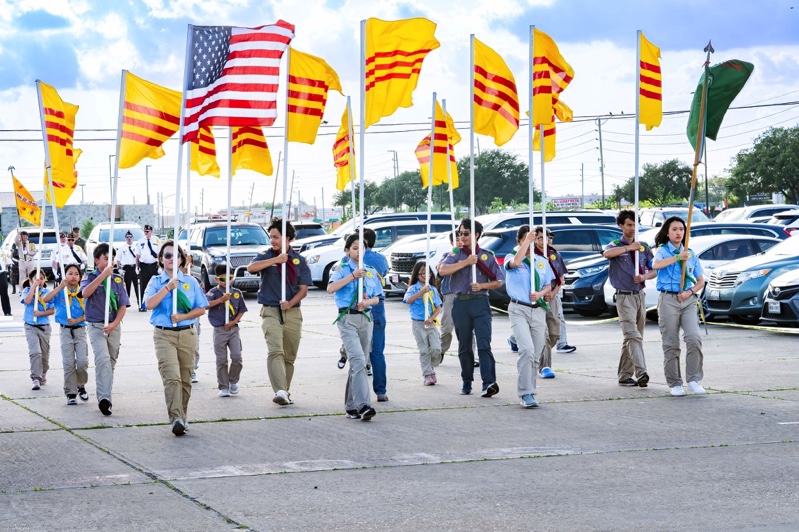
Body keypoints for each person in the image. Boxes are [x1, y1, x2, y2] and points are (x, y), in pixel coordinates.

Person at [144, 241, 208, 436]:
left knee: (185, 380)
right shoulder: (156, 281)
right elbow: (148, 304)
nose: (171, 259)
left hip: (187, 333)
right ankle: (176, 418)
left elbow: (201, 308)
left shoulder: (190, 281)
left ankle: (182, 415)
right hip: (164, 334)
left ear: (181, 260)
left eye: (175, 255)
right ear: (161, 259)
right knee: (171, 377)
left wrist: (183, 316)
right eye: (167, 255)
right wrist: (167, 288)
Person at [247, 218, 311, 406]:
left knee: (289, 356)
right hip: (271, 311)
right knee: (275, 350)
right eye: (271, 237)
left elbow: (303, 289)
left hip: (292, 312)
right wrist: (275, 260)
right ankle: (280, 390)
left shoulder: (299, 260)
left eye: (276, 237)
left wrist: (290, 303)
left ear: (288, 238)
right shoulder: (265, 256)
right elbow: (251, 268)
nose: (272, 241)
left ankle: (285, 392)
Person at [438, 218, 504, 397]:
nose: (462, 237)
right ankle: (466, 381)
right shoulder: (456, 254)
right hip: (461, 303)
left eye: (466, 233)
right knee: (465, 346)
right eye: (460, 233)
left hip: (480, 302)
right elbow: (442, 270)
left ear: (476, 235)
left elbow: (498, 281)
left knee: (484, 343)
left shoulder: (487, 255)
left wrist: (482, 286)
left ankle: (488, 382)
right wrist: (466, 262)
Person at [327, 234, 383, 421]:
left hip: (366, 318)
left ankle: (351, 406)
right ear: (347, 250)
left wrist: (367, 302)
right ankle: (363, 405)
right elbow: (330, 288)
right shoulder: (342, 269)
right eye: (355, 248)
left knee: (360, 363)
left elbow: (377, 298)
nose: (359, 251)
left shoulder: (370, 271)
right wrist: (352, 276)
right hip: (347, 319)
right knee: (358, 360)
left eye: (362, 248)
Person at [652, 216, 707, 397]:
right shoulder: (662, 251)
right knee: (671, 343)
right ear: (667, 233)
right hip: (668, 299)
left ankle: (693, 379)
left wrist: (689, 292)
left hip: (687, 300)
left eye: (681, 229)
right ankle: (675, 383)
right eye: (674, 229)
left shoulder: (690, 253)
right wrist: (677, 257)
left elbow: (700, 281)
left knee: (694, 338)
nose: (678, 233)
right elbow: (656, 265)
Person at [603, 210, 657, 387]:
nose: (632, 228)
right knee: (632, 335)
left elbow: (655, 269)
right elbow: (607, 254)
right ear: (621, 226)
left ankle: (625, 375)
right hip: (624, 297)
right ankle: (641, 372)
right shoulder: (616, 245)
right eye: (628, 225)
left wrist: (644, 277)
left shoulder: (643, 247)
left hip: (639, 295)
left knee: (634, 337)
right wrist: (628, 248)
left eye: (634, 225)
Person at [504, 225, 555, 408]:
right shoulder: (511, 257)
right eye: (528, 239)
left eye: (534, 240)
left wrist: (540, 294)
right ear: (519, 241)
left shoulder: (541, 261)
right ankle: (525, 393)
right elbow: (515, 263)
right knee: (526, 350)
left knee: (535, 354)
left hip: (538, 310)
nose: (532, 243)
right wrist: (527, 241)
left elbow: (548, 285)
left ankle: (531, 391)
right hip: (518, 309)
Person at [81, 243, 130, 416]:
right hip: (96, 326)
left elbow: (123, 305)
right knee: (102, 359)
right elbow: (85, 293)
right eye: (106, 258)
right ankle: (104, 399)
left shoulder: (118, 279)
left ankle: (106, 393)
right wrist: (102, 276)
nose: (111, 262)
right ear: (96, 260)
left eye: (113, 258)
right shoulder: (89, 277)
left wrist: (114, 324)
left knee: (110, 362)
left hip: (113, 326)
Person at [43, 264, 89, 405]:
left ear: (80, 277)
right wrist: (59, 287)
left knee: (82, 362)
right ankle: (71, 392)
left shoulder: (84, 291)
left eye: (76, 274)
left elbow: (90, 312)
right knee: (68, 363)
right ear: (65, 276)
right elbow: (45, 299)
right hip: (65, 331)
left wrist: (77, 320)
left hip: (80, 330)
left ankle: (80, 384)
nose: (73, 276)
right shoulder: (60, 291)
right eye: (70, 273)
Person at [206, 264, 247, 397]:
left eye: (229, 278)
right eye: (223, 279)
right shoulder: (213, 292)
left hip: (233, 329)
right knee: (221, 359)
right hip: (219, 330)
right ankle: (223, 386)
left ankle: (232, 380)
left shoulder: (237, 292)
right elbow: (205, 305)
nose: (226, 281)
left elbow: (242, 310)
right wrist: (222, 299)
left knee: (237, 357)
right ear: (217, 279)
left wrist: (233, 322)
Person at [403, 261, 442, 386]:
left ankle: (431, 367)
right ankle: (427, 374)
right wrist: (421, 292)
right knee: (424, 350)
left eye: (428, 273)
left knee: (436, 348)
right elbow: (407, 300)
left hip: (431, 323)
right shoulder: (413, 288)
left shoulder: (433, 289)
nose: (425, 276)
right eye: (422, 273)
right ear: (417, 275)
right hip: (418, 324)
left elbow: (438, 308)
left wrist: (431, 319)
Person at [534, 227, 566, 379]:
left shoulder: (554, 254)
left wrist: (552, 293)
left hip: (551, 296)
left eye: (546, 237)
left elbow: (561, 278)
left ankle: (539, 354)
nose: (544, 241)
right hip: (537, 298)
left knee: (554, 332)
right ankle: (545, 366)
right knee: (544, 334)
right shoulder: (531, 255)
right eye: (540, 237)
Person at [21, 270, 53, 391]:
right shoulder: (26, 291)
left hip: (44, 327)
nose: (39, 281)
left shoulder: (47, 293)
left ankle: (43, 372)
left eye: (41, 278)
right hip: (30, 326)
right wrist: (33, 287)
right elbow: (27, 301)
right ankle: (35, 378)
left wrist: (41, 313)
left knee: (44, 354)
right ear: (30, 280)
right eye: (36, 279)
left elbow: (52, 310)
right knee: (35, 352)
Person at [136, 224, 161, 312]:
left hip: (154, 265)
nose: (146, 233)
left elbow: (160, 254)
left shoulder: (156, 240)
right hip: (144, 266)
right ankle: (143, 305)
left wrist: (160, 266)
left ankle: (157, 304)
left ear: (151, 232)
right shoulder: (140, 241)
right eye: (145, 231)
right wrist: (137, 267)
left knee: (156, 285)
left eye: (148, 231)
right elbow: (137, 256)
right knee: (143, 286)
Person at [117, 231, 140, 309]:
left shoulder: (136, 247)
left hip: (134, 268)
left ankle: (139, 303)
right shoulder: (122, 248)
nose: (129, 238)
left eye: (130, 237)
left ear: (132, 238)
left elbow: (138, 257)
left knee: (137, 286)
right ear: (125, 238)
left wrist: (138, 267)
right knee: (127, 287)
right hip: (126, 268)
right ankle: (126, 304)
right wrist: (119, 268)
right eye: (127, 237)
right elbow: (118, 259)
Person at [0, 247, 12, 315]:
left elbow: (8, 262)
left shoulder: (3, 252)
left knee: (4, 293)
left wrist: (3, 267)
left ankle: (7, 311)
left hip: (2, 273)